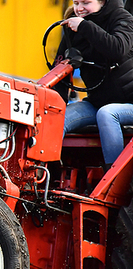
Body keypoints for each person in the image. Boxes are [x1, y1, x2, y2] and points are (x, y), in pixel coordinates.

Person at [56, 0, 133, 168]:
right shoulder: (73, 28)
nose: (79, 8)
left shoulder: (121, 17)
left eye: (86, 2)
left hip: (128, 101)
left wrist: (85, 26)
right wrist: (54, 106)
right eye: (76, 3)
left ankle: (115, 181)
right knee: (56, 120)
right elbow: (59, 73)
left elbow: (117, 49)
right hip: (97, 101)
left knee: (108, 114)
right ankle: (49, 173)